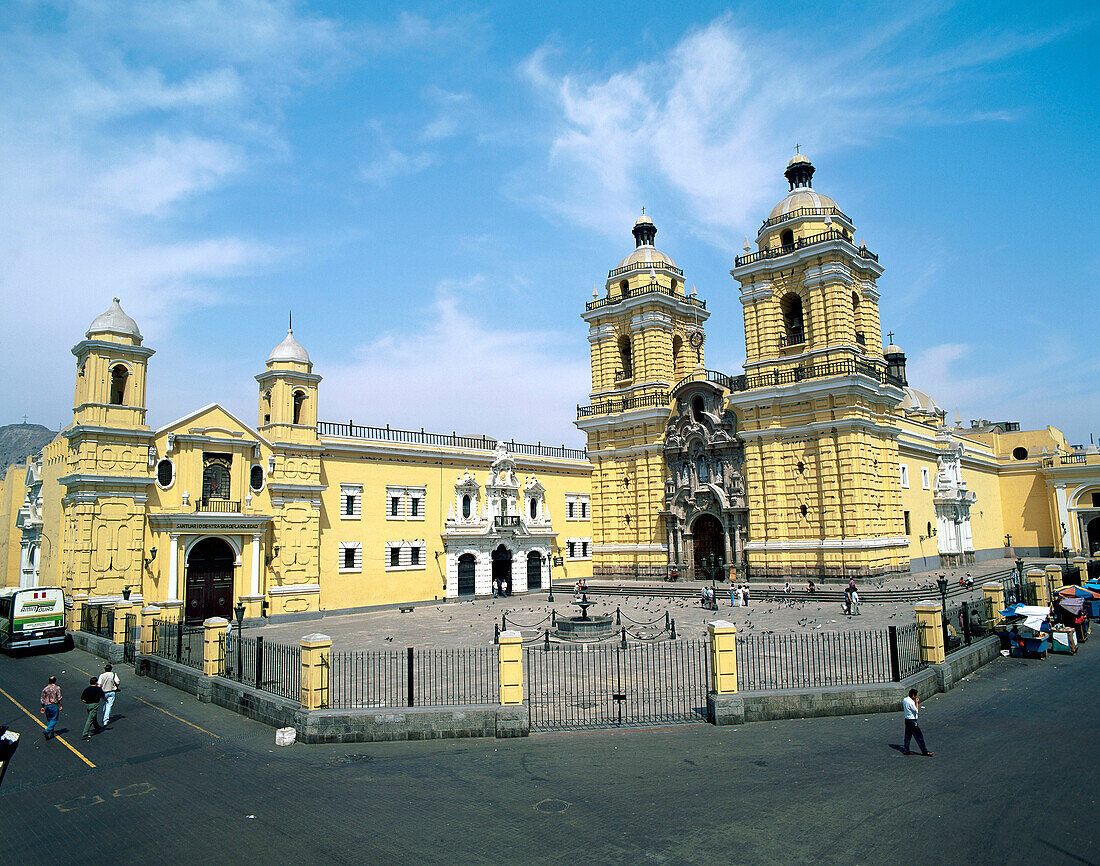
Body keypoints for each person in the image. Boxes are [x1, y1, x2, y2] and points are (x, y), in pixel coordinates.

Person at [902, 688, 934, 756]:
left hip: (907, 719)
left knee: (908, 735)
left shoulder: (905, 700)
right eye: (916, 696)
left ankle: (906, 750)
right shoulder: (911, 702)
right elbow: (916, 711)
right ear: (913, 695)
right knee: (919, 736)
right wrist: (917, 703)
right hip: (912, 721)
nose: (916, 697)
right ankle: (924, 751)